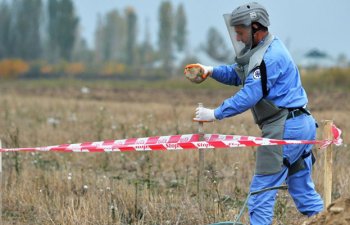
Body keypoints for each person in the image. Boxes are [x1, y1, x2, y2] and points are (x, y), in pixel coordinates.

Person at [184, 2, 324, 224]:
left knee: (261, 194)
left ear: (256, 28)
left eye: (240, 33)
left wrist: (215, 114)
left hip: (284, 129)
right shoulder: (263, 50)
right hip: (302, 124)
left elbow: (249, 94)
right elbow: (237, 73)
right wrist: (210, 71)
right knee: (304, 193)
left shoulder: (269, 58)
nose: (238, 38)